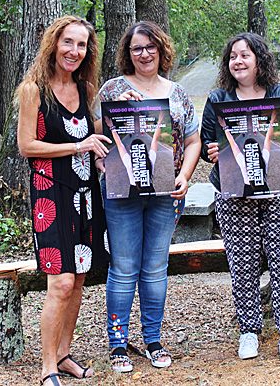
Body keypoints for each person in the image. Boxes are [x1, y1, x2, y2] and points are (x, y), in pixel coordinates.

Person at [200, 32, 280, 360]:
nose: (238, 62)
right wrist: (211, 151)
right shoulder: (218, 98)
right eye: (233, 56)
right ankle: (249, 332)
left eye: (244, 55)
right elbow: (205, 144)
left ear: (259, 59)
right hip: (234, 194)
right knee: (242, 263)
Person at [96, 21, 201, 372]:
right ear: (128, 52)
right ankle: (117, 343)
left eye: (150, 47)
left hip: (165, 192)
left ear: (161, 49)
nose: (144, 54)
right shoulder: (112, 89)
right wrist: (115, 111)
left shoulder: (177, 92)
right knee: (124, 267)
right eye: (137, 48)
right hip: (121, 192)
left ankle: (153, 339)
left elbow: (192, 140)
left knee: (155, 268)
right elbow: (93, 133)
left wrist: (184, 176)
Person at [16, 16, 110, 386]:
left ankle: (65, 354)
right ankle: (47, 368)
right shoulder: (33, 89)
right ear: (54, 44)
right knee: (61, 283)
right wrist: (78, 147)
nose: (74, 51)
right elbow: (27, 146)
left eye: (82, 45)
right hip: (50, 194)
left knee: (80, 279)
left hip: (86, 192)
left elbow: (93, 132)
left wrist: (122, 111)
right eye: (68, 42)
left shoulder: (86, 88)